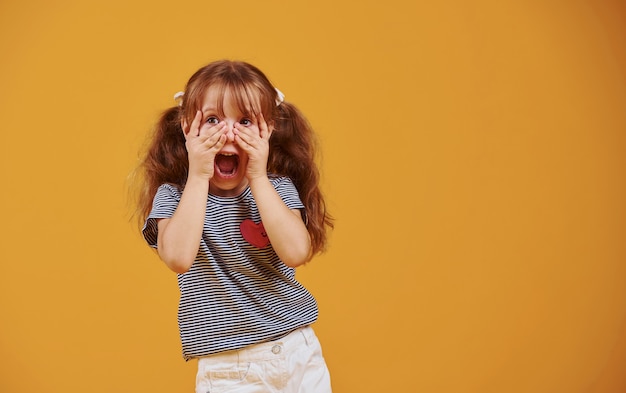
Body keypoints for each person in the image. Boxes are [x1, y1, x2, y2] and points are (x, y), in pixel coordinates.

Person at [132, 60, 334, 393]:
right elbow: (178, 258)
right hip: (228, 367)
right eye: (212, 120)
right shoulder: (175, 197)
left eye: (245, 121)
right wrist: (198, 174)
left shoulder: (276, 188)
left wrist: (257, 176)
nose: (228, 133)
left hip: (298, 349)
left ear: (268, 129)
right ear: (186, 127)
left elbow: (297, 251)